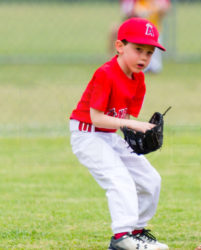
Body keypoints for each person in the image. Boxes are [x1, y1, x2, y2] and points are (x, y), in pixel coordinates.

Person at [70, 17, 168, 250]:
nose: (144, 57)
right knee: (119, 179)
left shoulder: (139, 78)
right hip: (87, 134)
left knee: (151, 180)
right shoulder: (105, 73)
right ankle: (121, 237)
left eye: (150, 52)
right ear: (120, 46)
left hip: (107, 135)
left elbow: (123, 119)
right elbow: (96, 117)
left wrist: (135, 136)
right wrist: (136, 126)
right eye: (138, 49)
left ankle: (136, 231)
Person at [112, 0, 171, 73]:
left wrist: (156, 8)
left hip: (154, 33)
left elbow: (165, 8)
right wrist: (137, 12)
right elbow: (127, 11)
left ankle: (150, 66)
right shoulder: (135, 2)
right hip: (138, 34)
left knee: (155, 66)